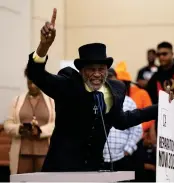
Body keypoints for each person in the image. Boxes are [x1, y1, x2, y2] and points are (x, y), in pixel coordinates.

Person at [25, 8, 165, 172]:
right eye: (91, 69)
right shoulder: (68, 84)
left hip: (93, 170)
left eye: (101, 69)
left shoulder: (115, 90)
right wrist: (44, 46)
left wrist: (161, 107)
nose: (97, 74)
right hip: (61, 170)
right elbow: (36, 74)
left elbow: (122, 121)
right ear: (82, 70)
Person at [4, 69, 55, 174]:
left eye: (35, 82)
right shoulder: (16, 100)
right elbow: (7, 124)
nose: (32, 85)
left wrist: (40, 131)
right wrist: (20, 129)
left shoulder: (51, 101)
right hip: (22, 153)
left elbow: (57, 124)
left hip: (45, 153)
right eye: (29, 82)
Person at [103, 69, 142, 171]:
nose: (109, 82)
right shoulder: (96, 100)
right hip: (99, 158)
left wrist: (127, 150)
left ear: (117, 80)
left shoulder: (129, 102)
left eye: (111, 78)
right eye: (106, 79)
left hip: (122, 157)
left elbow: (137, 129)